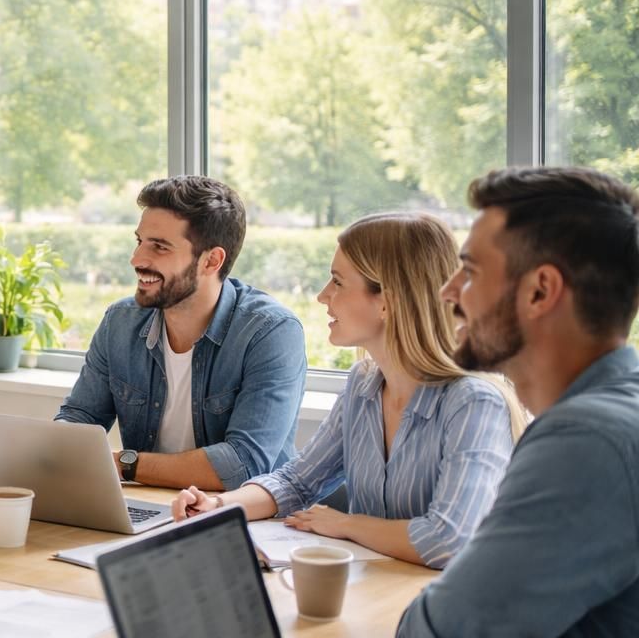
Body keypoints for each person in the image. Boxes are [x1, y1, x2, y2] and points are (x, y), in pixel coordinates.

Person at [392, 168, 639, 638]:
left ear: (539, 290)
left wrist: (451, 603)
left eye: (468, 271)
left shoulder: (586, 440)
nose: (449, 293)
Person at [172, 212, 521, 568]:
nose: (323, 296)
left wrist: (346, 524)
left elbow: (450, 540)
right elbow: (297, 482)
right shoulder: (363, 384)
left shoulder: (473, 402)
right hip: (379, 592)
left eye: (338, 282)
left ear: (388, 300)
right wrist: (220, 507)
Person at [56, 176, 307, 490]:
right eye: (139, 242)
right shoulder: (120, 321)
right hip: (150, 507)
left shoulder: (270, 333)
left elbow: (243, 464)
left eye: (159, 247)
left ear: (211, 260)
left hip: (241, 522)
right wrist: (53, 450)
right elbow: (80, 416)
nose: (137, 260)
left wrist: (121, 464)